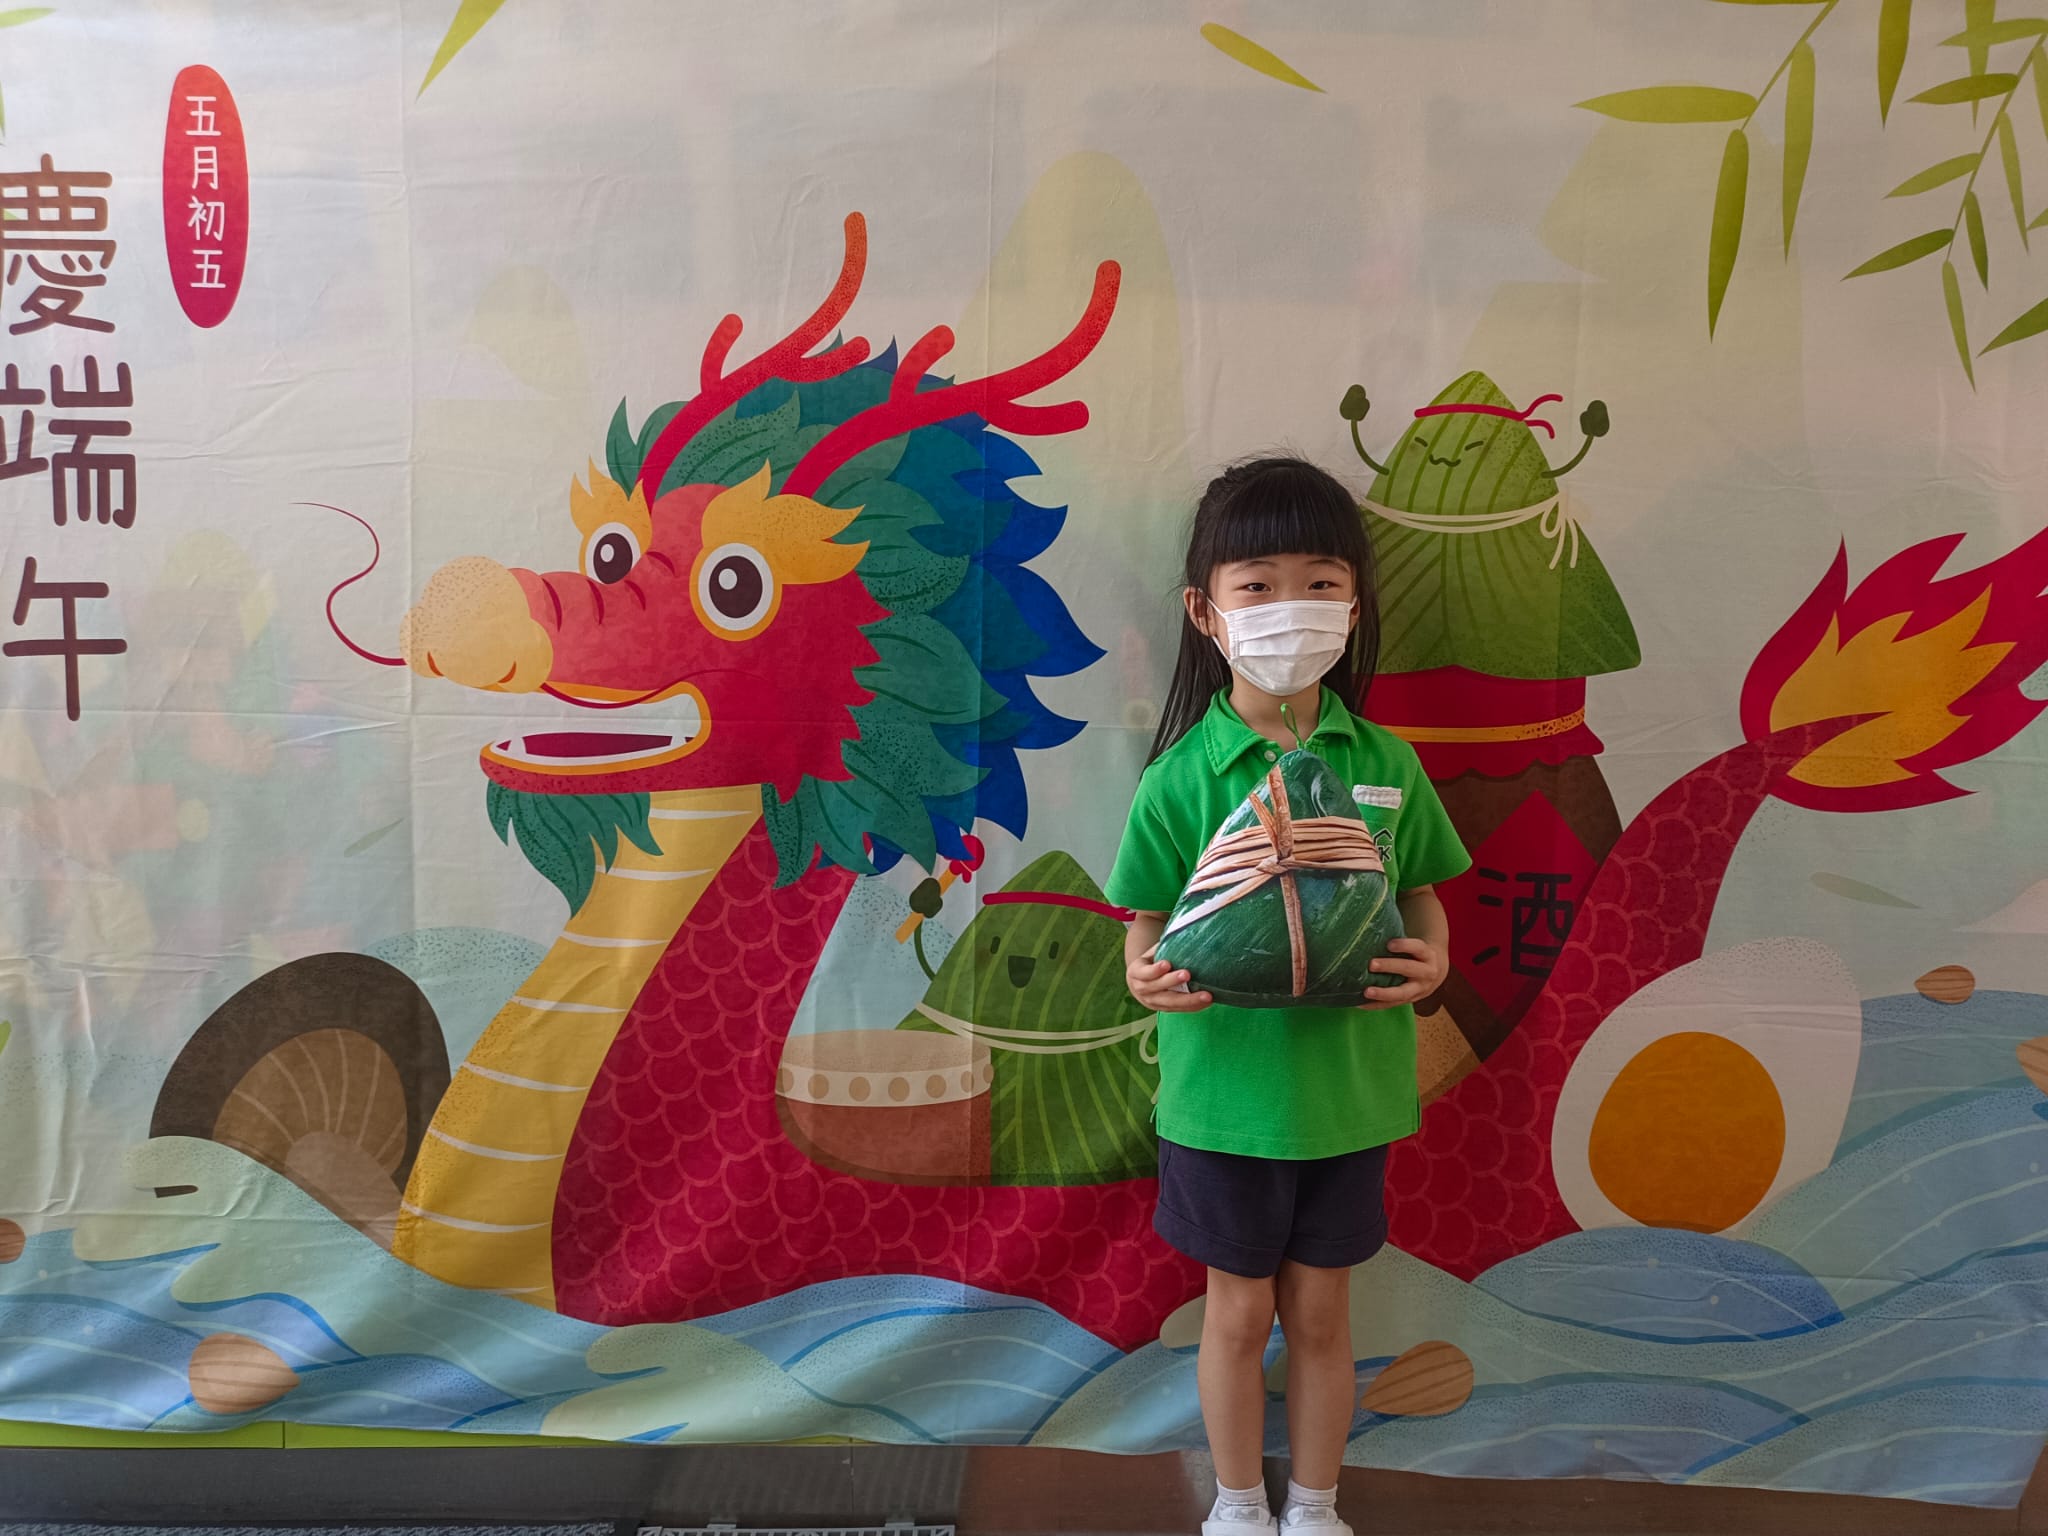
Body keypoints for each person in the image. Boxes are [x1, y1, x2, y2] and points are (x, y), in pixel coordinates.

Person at [1107, 456, 1470, 1535]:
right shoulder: (1178, 778)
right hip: (1223, 1103)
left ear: (1353, 606)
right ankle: (1235, 1504)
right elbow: (1142, 924)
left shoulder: (1387, 762)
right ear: (1204, 611)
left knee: (1320, 1314)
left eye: (1319, 582)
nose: (1289, 608)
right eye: (1257, 585)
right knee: (1234, 1314)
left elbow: (1421, 894)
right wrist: (1141, 971)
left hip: (1348, 1099)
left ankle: (1313, 1504)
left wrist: (1432, 959)